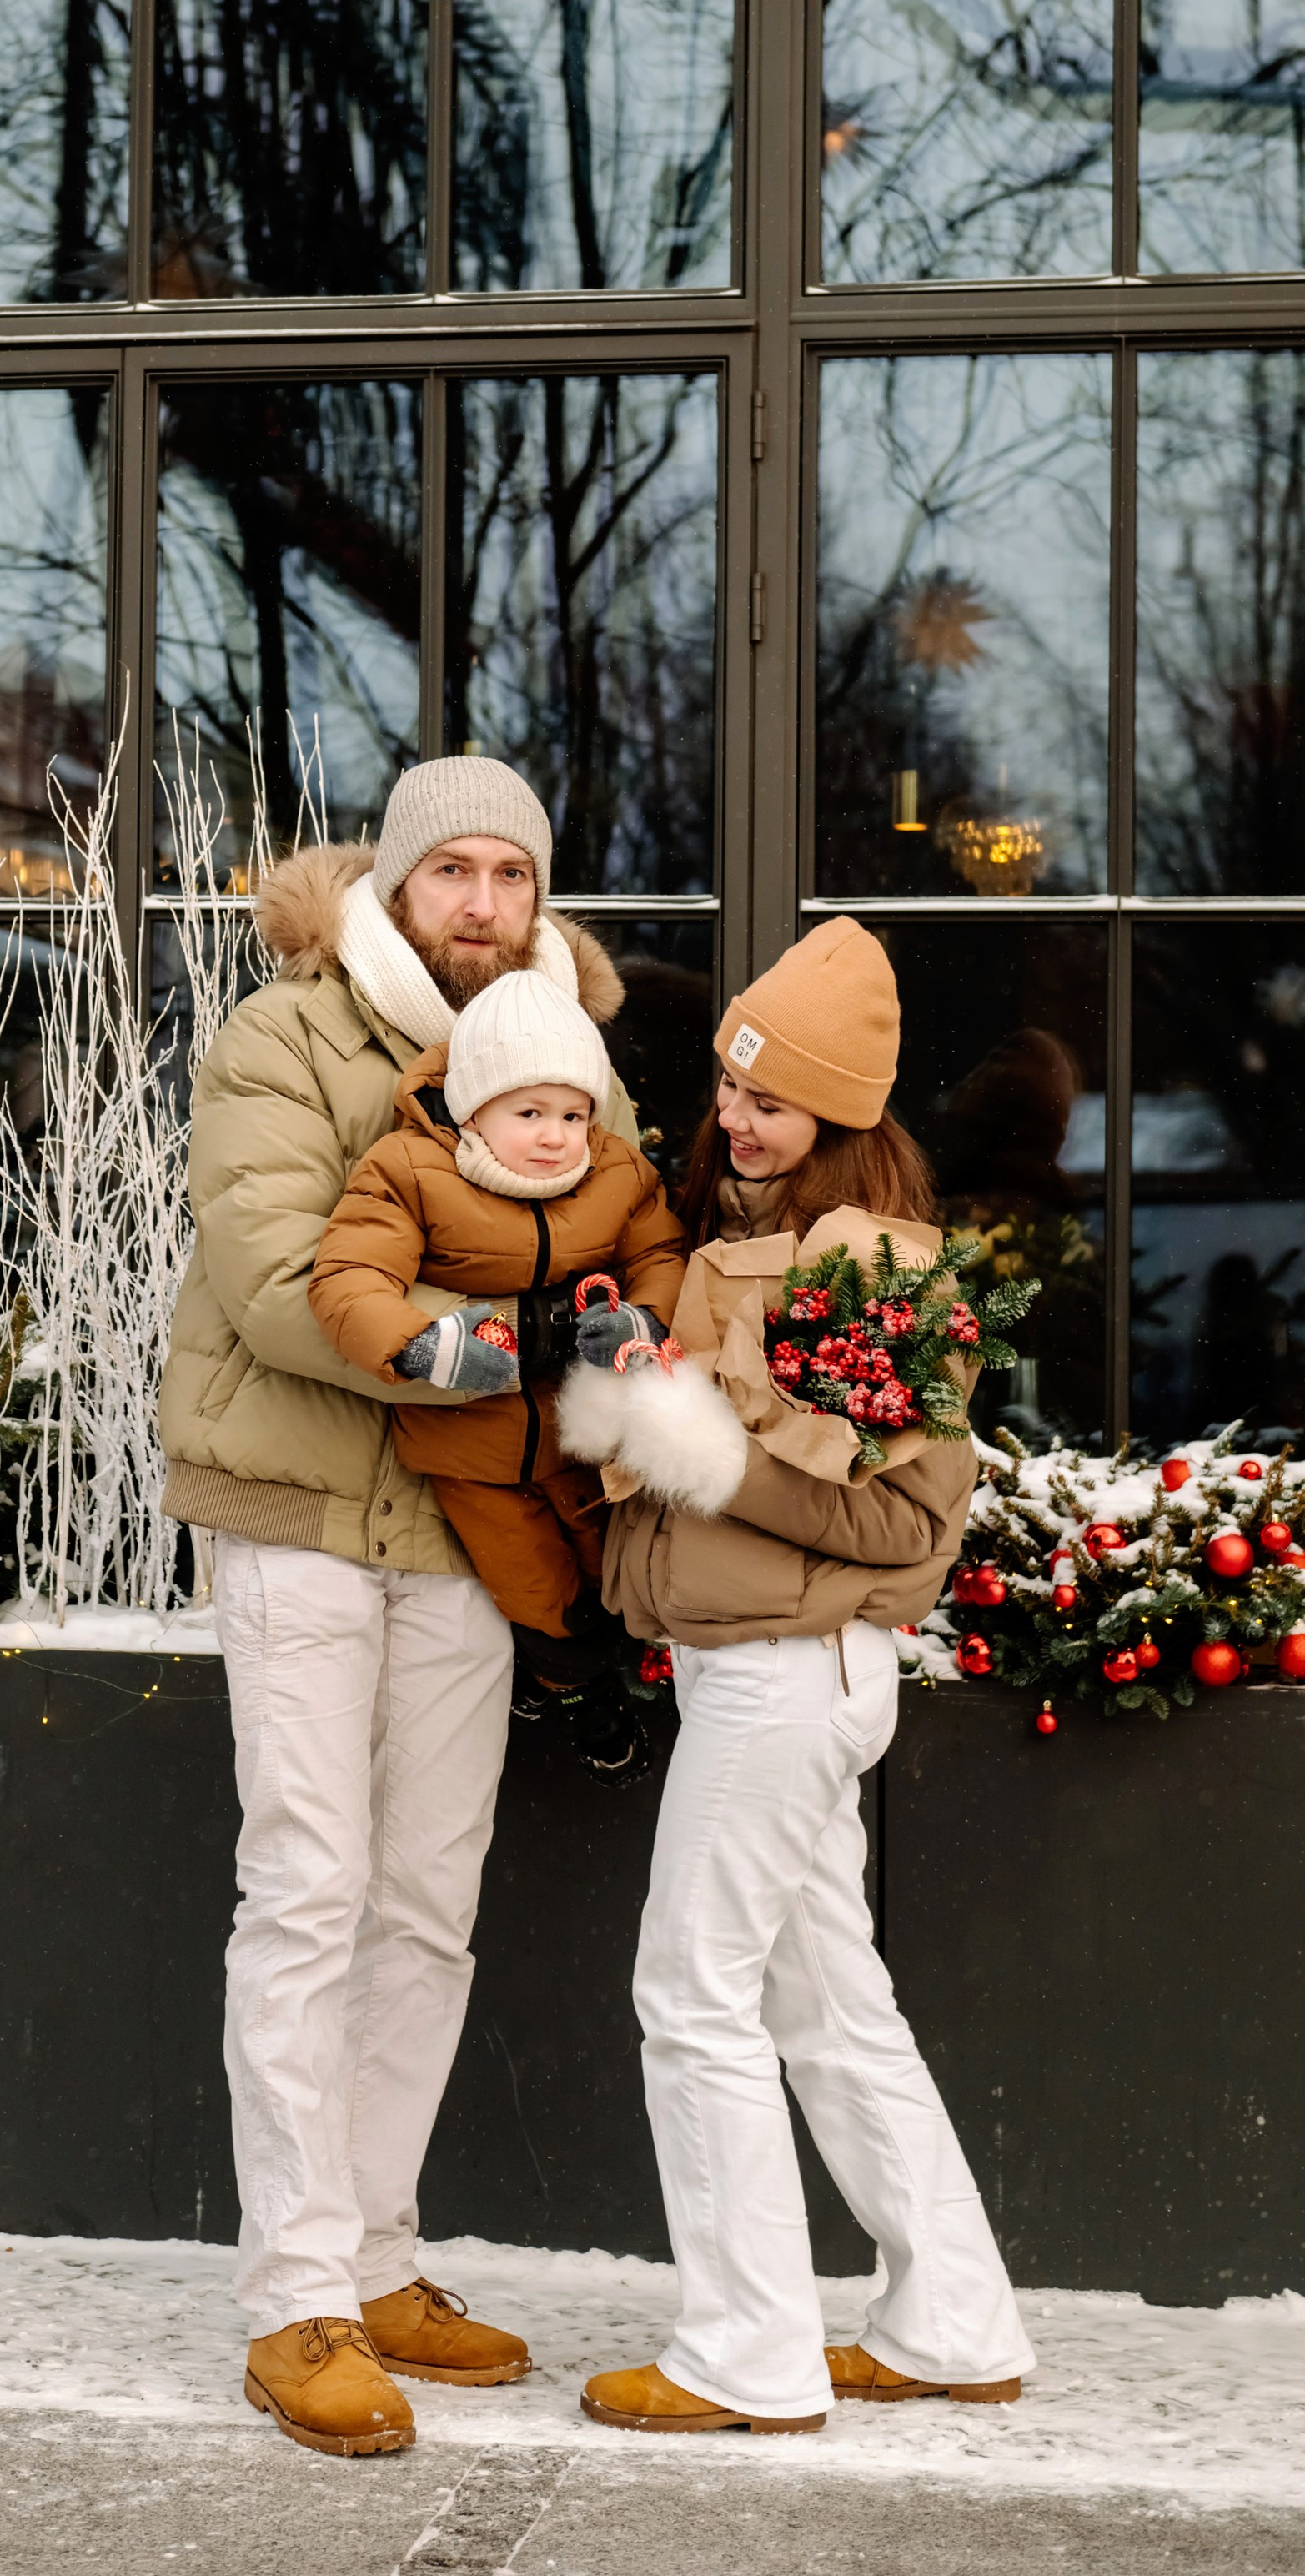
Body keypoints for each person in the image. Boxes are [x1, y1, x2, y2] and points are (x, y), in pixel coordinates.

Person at [158, 756, 642, 2458]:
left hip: (461, 1533)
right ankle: (291, 2301)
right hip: (296, 1513)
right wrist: (488, 1344)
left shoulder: (563, 1065)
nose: (485, 903)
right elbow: (275, 1274)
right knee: (305, 1888)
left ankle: (372, 2259)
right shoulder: (279, 1038)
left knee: (425, 1906)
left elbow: (617, 1252)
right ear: (399, 880)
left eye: (514, 873)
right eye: (456, 871)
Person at [557, 916, 1035, 2437]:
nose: (737, 1116)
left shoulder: (873, 1277)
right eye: (729, 1086)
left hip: (788, 1679)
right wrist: (643, 1399)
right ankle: (954, 2318)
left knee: (691, 1996)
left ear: (841, 1116)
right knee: (830, 2004)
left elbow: (901, 1518)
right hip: (749, 1673)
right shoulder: (740, 1252)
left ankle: (746, 2351)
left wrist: (695, 1441)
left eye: (770, 1097)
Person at [307, 965, 687, 1783]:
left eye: (572, 1114)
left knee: (606, 1568)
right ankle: (579, 1690)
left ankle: (551, 1674)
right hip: (468, 1448)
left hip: (579, 1437)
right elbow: (349, 1278)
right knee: (536, 1586)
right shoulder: (409, 1171)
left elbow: (659, 1251)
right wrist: (421, 1345)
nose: (555, 1136)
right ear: (472, 1105)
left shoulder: (615, 1172)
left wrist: (643, 1317)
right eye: (529, 1112)